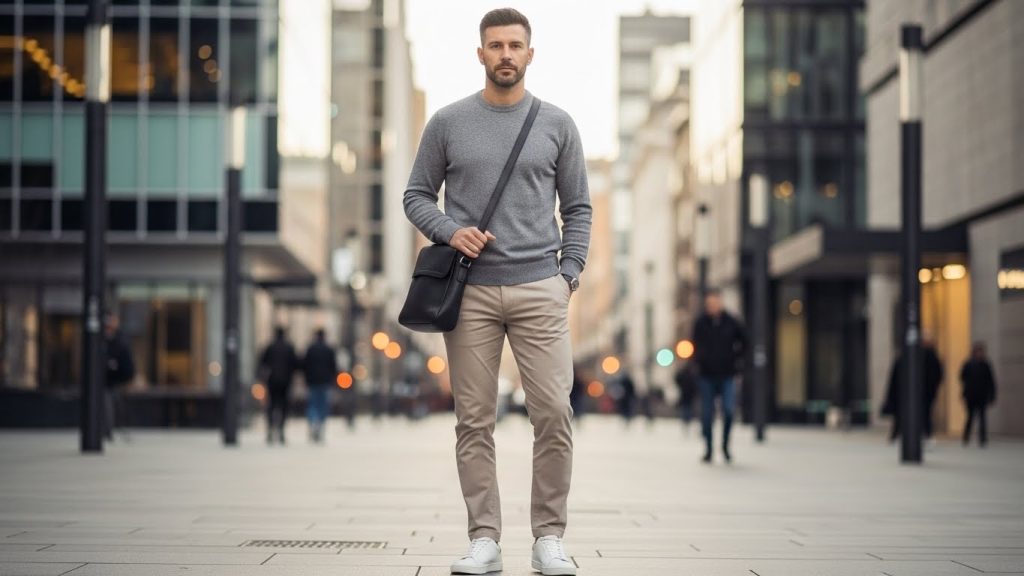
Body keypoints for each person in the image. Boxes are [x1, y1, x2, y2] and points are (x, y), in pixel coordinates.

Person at [403, 8, 591, 576]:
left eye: (515, 45)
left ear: (530, 54)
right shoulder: (448, 122)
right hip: (470, 293)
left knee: (554, 413)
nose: (505, 54)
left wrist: (568, 276)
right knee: (474, 420)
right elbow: (416, 194)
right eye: (495, 45)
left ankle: (548, 538)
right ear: (479, 54)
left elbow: (578, 206)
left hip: (540, 287)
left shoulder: (557, 123)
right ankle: (484, 538)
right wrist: (448, 230)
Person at [691, 289, 747, 463]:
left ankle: (725, 445)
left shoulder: (732, 322)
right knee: (707, 414)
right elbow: (693, 345)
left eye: (715, 303)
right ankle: (708, 448)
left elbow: (745, 342)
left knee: (729, 411)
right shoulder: (700, 323)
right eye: (710, 304)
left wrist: (737, 362)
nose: (713, 307)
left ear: (721, 303)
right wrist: (699, 362)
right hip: (706, 375)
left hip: (727, 374)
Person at [883, 340, 943, 442]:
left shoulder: (925, 357)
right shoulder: (907, 358)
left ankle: (923, 435)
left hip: (921, 392)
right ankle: (917, 435)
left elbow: (937, 375)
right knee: (912, 414)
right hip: (910, 393)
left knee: (921, 414)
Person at [258, 327, 300, 445]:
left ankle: (271, 429)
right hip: (286, 381)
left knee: (271, 405)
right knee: (284, 405)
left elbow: (262, 362)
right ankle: (281, 429)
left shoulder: (270, 347)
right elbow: (296, 364)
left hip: (272, 380)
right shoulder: (289, 347)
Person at [303, 328, 337, 443]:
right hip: (325, 382)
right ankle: (320, 426)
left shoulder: (311, 349)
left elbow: (305, 365)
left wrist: (306, 379)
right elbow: (333, 366)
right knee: (323, 405)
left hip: (312, 381)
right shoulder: (329, 349)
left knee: (312, 404)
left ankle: (313, 422)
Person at [104, 313, 135, 441]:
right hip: (104, 380)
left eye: (114, 320)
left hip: (118, 379)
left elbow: (127, 360)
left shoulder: (121, 339)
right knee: (107, 406)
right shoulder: (101, 338)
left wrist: (128, 376)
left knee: (116, 406)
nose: (112, 323)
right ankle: (107, 431)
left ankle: (115, 428)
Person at [960, 342, 997, 447]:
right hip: (971, 395)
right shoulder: (968, 364)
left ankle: (983, 439)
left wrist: (992, 395)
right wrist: (965, 393)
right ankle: (966, 436)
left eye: (981, 351)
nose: (980, 353)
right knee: (970, 417)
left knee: (982, 418)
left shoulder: (986, 365)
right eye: (978, 351)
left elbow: (991, 381)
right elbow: (962, 377)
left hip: (982, 395)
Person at [674, 361, 697, 434]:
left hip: (687, 396)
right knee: (687, 410)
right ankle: (686, 423)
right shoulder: (689, 375)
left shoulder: (690, 375)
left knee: (687, 410)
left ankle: (687, 423)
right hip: (687, 396)